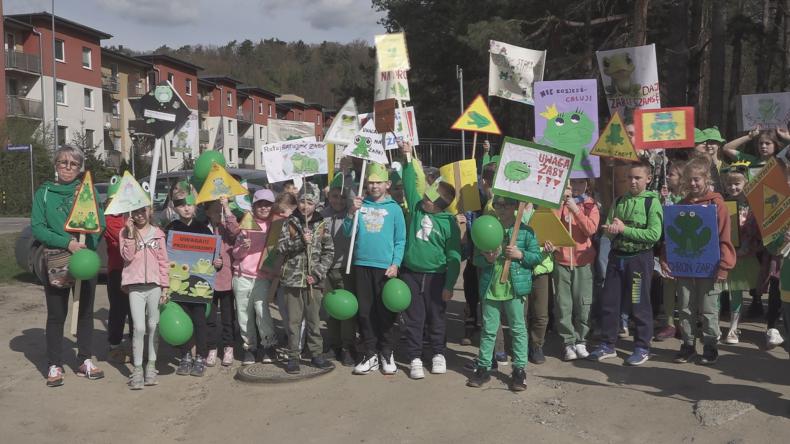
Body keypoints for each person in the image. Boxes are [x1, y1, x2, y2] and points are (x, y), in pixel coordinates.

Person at [31, 145, 106, 387]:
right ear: (56, 164)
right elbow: (38, 227)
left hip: (84, 260)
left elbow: (99, 223)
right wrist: (68, 243)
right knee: (57, 314)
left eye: (73, 164)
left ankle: (84, 360)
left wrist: (86, 248)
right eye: (63, 162)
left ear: (79, 168)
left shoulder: (86, 191)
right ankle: (54, 364)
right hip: (56, 259)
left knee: (84, 312)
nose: (68, 167)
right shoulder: (44, 193)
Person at [588, 159, 663, 366]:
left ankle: (642, 347)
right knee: (610, 302)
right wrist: (609, 231)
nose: (632, 182)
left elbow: (654, 235)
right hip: (616, 258)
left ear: (648, 179)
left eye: (637, 178)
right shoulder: (619, 200)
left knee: (639, 303)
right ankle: (607, 344)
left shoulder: (651, 202)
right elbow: (611, 228)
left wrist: (624, 230)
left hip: (639, 260)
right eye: (629, 177)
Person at [398, 141, 462, 379]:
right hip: (411, 274)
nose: (424, 200)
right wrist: (406, 159)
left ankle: (438, 353)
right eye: (425, 196)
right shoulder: (416, 208)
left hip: (437, 277)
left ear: (439, 207)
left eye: (429, 200)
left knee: (436, 317)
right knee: (414, 318)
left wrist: (449, 285)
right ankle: (414, 356)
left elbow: (454, 256)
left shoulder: (449, 224)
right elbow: (408, 186)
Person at [662, 156, 734, 365]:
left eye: (697, 180)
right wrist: (667, 258)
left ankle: (710, 345)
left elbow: (724, 237)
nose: (693, 184)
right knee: (685, 307)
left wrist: (724, 266)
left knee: (709, 308)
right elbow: (671, 237)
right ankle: (688, 345)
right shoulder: (680, 206)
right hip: (685, 267)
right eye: (689, 180)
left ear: (706, 179)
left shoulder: (717, 205)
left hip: (710, 268)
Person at [466, 196, 541, 391]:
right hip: (491, 289)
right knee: (489, 330)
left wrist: (520, 255)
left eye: (506, 204)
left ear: (516, 206)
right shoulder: (488, 227)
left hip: (514, 289)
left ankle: (519, 370)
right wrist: (488, 259)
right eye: (497, 204)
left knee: (517, 329)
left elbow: (536, 256)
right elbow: (475, 259)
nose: (501, 208)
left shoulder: (525, 231)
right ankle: (483, 367)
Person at [344, 162, 406, 375]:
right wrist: (352, 212)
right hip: (362, 264)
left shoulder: (395, 209)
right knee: (365, 312)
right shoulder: (360, 205)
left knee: (385, 312)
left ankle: (386, 352)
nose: (374, 186)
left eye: (378, 182)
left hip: (385, 268)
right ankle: (370, 353)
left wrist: (395, 263)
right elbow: (347, 232)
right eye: (370, 183)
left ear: (387, 184)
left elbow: (400, 240)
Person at [277, 182, 335, 373]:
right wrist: (300, 241)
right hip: (292, 280)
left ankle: (316, 355)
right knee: (294, 322)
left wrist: (318, 274)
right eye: (302, 201)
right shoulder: (290, 222)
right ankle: (293, 356)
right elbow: (281, 248)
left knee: (313, 320)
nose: (305, 206)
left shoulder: (322, 224)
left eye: (309, 202)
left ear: (316, 204)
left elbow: (329, 252)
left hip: (313, 282)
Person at [163, 182, 216, 377]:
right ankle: (185, 355)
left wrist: (216, 261)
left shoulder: (204, 230)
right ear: (175, 207)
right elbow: (164, 256)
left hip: (199, 286)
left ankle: (200, 357)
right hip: (177, 285)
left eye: (189, 204)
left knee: (200, 322)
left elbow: (212, 257)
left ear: (196, 206)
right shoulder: (170, 229)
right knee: (183, 320)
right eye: (181, 204)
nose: (186, 208)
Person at [550, 178, 600, 361]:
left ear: (587, 184)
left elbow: (590, 229)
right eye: (571, 184)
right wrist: (561, 204)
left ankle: (581, 340)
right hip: (562, 261)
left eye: (580, 183)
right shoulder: (557, 204)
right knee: (564, 304)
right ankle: (567, 342)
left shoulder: (590, 205)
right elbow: (551, 227)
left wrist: (575, 209)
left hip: (583, 261)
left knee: (583, 302)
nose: (576, 188)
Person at [120, 206, 169, 389]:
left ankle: (151, 366)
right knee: (139, 328)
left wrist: (165, 287)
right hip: (135, 286)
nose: (139, 216)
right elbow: (127, 256)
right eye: (135, 213)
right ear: (130, 215)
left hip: (155, 286)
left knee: (152, 325)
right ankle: (138, 369)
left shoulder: (158, 234)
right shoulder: (124, 233)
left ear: (149, 211)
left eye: (142, 211)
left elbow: (164, 261)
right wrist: (131, 234)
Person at [232, 189, 279, 366]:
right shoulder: (246, 223)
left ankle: (268, 346)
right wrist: (244, 247)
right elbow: (236, 254)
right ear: (254, 206)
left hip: (262, 278)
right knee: (243, 314)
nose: (264, 207)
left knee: (262, 312)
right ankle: (249, 348)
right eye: (260, 204)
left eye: (268, 204)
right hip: (242, 276)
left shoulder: (276, 225)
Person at [720, 161, 761, 345]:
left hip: (743, 255)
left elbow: (758, 231)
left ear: (746, 183)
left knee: (736, 292)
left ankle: (733, 327)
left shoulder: (752, 206)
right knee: (719, 292)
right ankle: (714, 326)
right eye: (730, 184)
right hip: (724, 255)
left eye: (737, 183)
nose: (733, 187)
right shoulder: (721, 204)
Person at [321, 177, 357, 366]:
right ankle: (334, 344)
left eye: (343, 197)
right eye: (335, 196)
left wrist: (346, 173)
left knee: (347, 310)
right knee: (330, 309)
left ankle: (347, 346)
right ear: (329, 196)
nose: (338, 201)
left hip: (345, 268)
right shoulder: (322, 215)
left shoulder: (352, 214)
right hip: (326, 269)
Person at [204, 196, 240, 367]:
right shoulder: (203, 229)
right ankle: (211, 348)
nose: (219, 214)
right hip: (207, 281)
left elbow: (236, 231)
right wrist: (211, 261)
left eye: (221, 211)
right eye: (215, 211)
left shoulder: (227, 227)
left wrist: (227, 208)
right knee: (210, 318)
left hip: (225, 280)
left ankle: (228, 346)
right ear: (207, 213)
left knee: (228, 317)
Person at [655, 160, 685, 341]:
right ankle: (669, 323)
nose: (667, 176)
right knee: (668, 284)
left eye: (672, 174)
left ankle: (684, 322)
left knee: (684, 287)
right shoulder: (665, 197)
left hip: (684, 248)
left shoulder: (688, 198)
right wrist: (661, 201)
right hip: (667, 246)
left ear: (681, 178)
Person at [103, 177, 132, 363]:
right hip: (118, 271)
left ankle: (133, 344)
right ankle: (114, 344)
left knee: (135, 310)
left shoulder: (132, 214)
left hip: (136, 271)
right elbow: (123, 234)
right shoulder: (110, 218)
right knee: (118, 310)